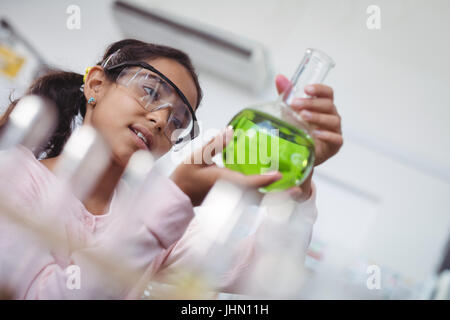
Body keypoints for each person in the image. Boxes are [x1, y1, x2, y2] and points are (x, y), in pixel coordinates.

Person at [0, 39, 343, 299]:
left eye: (179, 119)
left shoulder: (146, 209)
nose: (162, 119)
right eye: (149, 91)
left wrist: (296, 189)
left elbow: (254, 277)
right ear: (96, 85)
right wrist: (176, 194)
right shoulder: (12, 175)